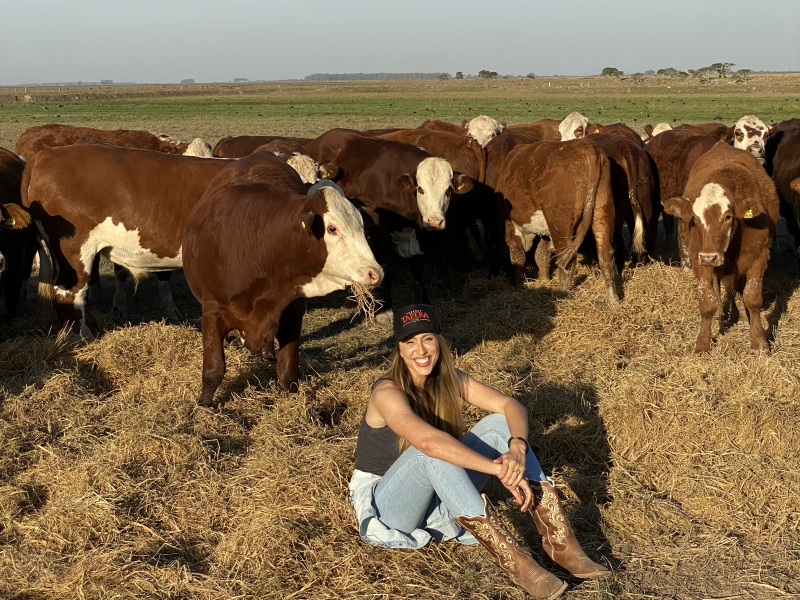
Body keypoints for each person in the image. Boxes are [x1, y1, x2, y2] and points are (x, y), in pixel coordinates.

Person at [349, 304, 609, 600]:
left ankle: (561, 545)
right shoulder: (387, 392)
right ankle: (518, 565)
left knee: (499, 424)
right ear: (398, 349)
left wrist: (517, 450)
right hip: (392, 509)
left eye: (427, 339)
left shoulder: (449, 378)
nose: (420, 350)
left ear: (439, 341)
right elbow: (427, 444)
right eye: (410, 342)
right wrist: (499, 470)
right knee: (431, 451)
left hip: (440, 493)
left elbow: (512, 407)